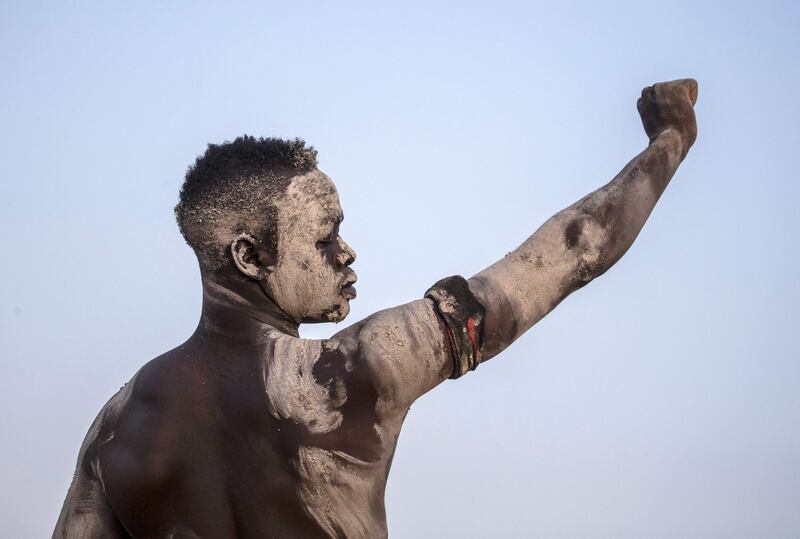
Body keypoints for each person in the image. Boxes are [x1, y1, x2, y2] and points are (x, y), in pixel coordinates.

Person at [54, 78, 698, 538]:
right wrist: (671, 138)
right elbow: (573, 251)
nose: (348, 252)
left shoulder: (117, 428)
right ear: (250, 257)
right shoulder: (353, 372)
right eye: (325, 237)